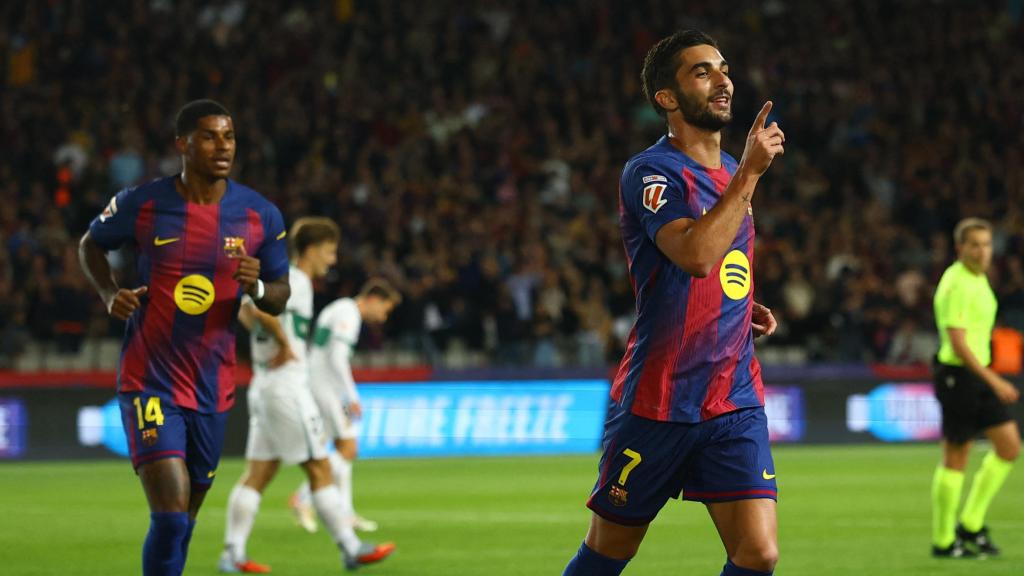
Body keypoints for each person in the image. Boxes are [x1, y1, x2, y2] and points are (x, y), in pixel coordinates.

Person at [562, 30, 782, 576]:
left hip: (732, 395)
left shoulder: (731, 169)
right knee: (609, 551)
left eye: (724, 68)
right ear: (667, 97)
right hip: (660, 400)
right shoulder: (651, 171)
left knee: (758, 553)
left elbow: (722, 263)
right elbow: (696, 255)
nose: (723, 80)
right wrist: (751, 174)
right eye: (702, 72)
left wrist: (740, 301)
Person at [78, 99, 291, 576]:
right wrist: (110, 293)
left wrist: (257, 286)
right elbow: (91, 244)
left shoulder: (260, 215)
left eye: (229, 136)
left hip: (213, 386)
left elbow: (280, 294)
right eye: (210, 136)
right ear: (182, 144)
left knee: (186, 518)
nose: (223, 146)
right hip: (149, 378)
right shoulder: (143, 203)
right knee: (171, 516)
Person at [219, 218, 395, 573]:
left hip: (265, 384)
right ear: (312, 250)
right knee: (319, 467)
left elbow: (244, 307)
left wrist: (268, 344)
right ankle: (351, 548)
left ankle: (232, 553)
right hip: (286, 387)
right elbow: (257, 310)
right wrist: (283, 343)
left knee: (259, 473)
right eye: (329, 252)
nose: (332, 260)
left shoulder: (284, 280)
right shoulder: (296, 282)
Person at [930, 217, 1020, 558]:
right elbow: (958, 342)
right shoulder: (956, 283)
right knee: (956, 457)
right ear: (960, 248)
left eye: (987, 244)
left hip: (978, 374)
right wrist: (995, 380)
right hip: (958, 376)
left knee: (1009, 447)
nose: (982, 251)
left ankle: (970, 524)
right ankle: (943, 541)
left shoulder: (978, 279)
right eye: (975, 245)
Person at [289, 278, 402, 534]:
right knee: (349, 448)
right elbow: (337, 359)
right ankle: (303, 497)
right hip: (324, 386)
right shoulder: (348, 314)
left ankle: (345, 513)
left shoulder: (340, 308)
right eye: (384, 309)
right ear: (373, 299)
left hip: (319, 383)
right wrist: (350, 397)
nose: (383, 317)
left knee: (343, 449)